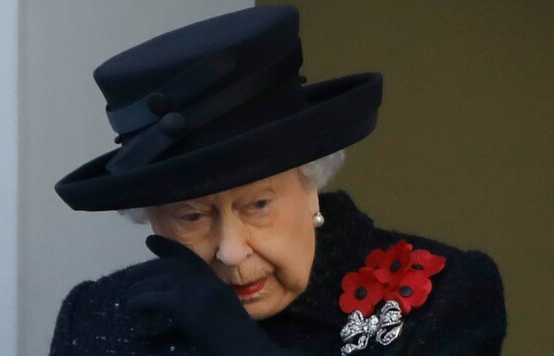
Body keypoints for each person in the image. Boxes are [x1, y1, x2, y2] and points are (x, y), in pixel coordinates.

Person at [50, 5, 506, 356]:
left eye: (258, 205)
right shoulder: (98, 316)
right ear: (151, 219)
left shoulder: (443, 297)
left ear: (311, 182)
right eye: (190, 215)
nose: (231, 251)